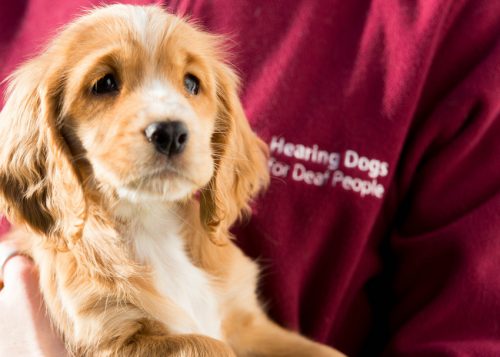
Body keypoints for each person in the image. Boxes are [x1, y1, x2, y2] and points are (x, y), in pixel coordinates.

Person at [0, 0, 499, 355]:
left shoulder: (459, 25)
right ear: (53, 133)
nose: (168, 121)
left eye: (190, 82)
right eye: (105, 84)